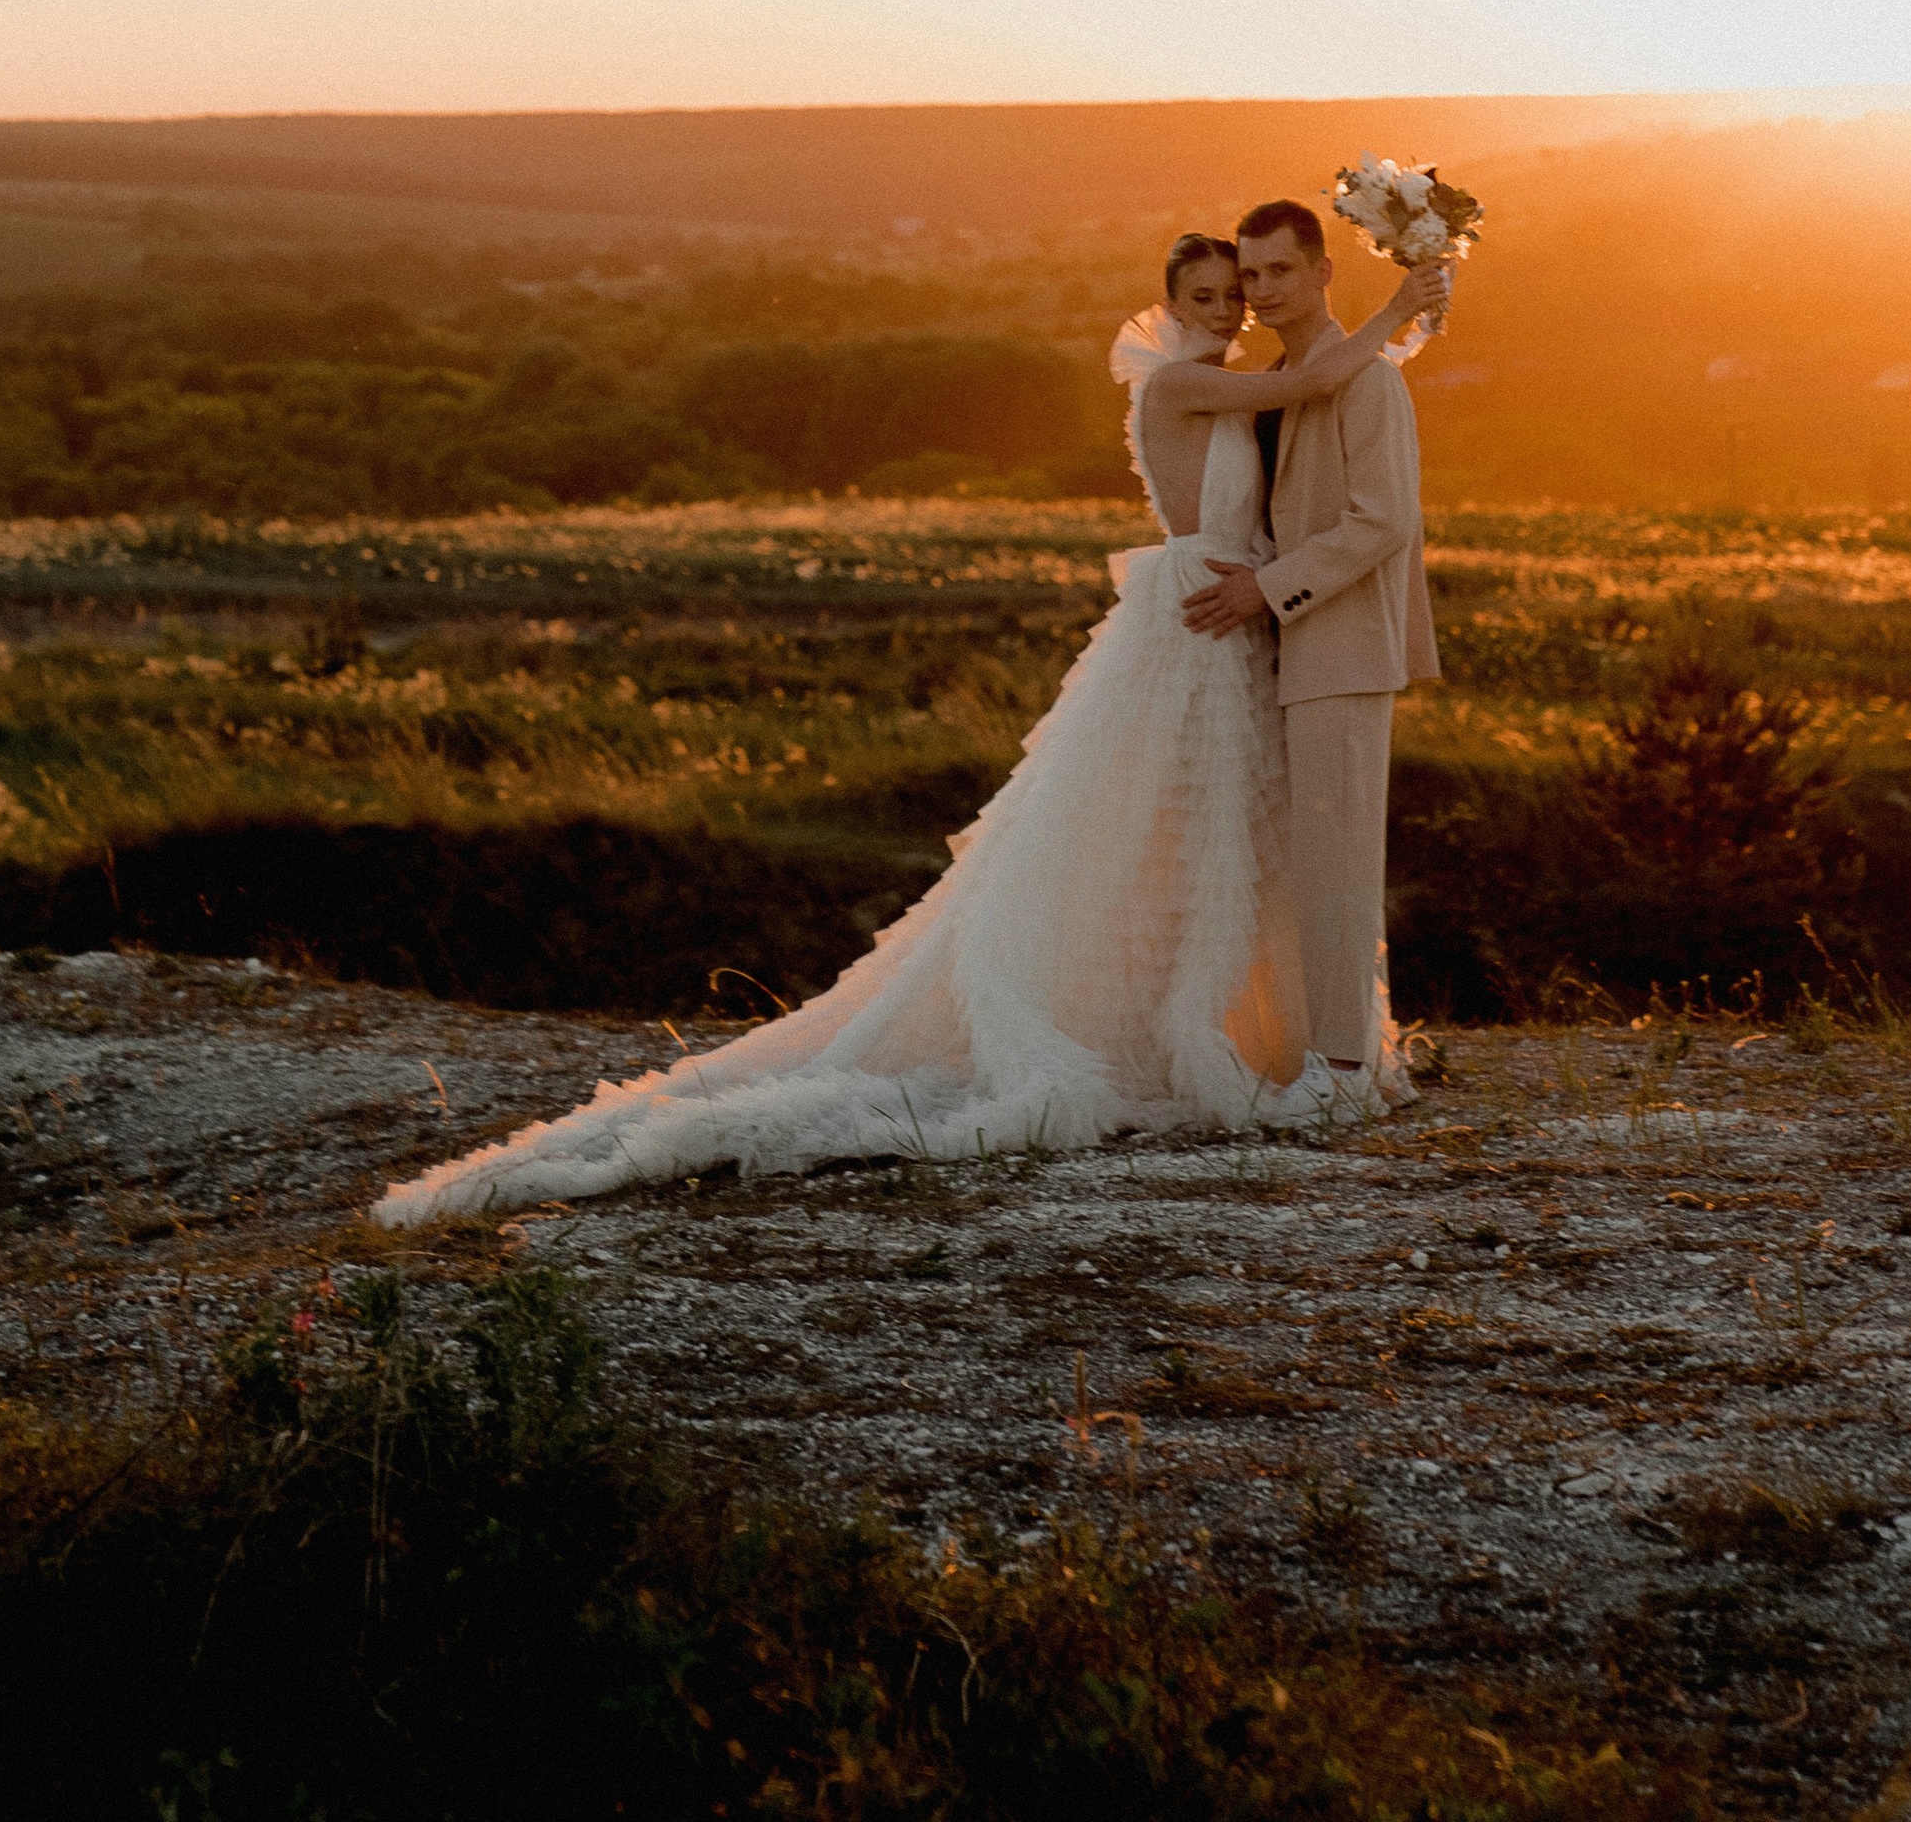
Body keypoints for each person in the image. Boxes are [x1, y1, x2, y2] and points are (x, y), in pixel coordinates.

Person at [370, 222, 1445, 1225]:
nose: (1229, 307)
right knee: (1154, 824)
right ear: (1168, 306)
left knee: (1234, 837)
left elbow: (1321, 435)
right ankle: (1199, 1032)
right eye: (1208, 294)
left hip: (1242, 628)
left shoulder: (1247, 387)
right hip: (1200, 619)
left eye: (1241, 290)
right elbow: (1311, 382)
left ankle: (1283, 1035)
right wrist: (1406, 303)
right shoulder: (1183, 384)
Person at [1181, 199, 1437, 1080]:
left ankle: (1344, 1070)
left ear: (1324, 271)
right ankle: (1306, 1051)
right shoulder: (1280, 380)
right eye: (1249, 274)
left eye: (1280, 270)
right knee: (1294, 869)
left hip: (1344, 647)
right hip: (1283, 655)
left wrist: (1265, 588)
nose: (1261, 290)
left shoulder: (1369, 381)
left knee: (1337, 867)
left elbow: (1384, 521)